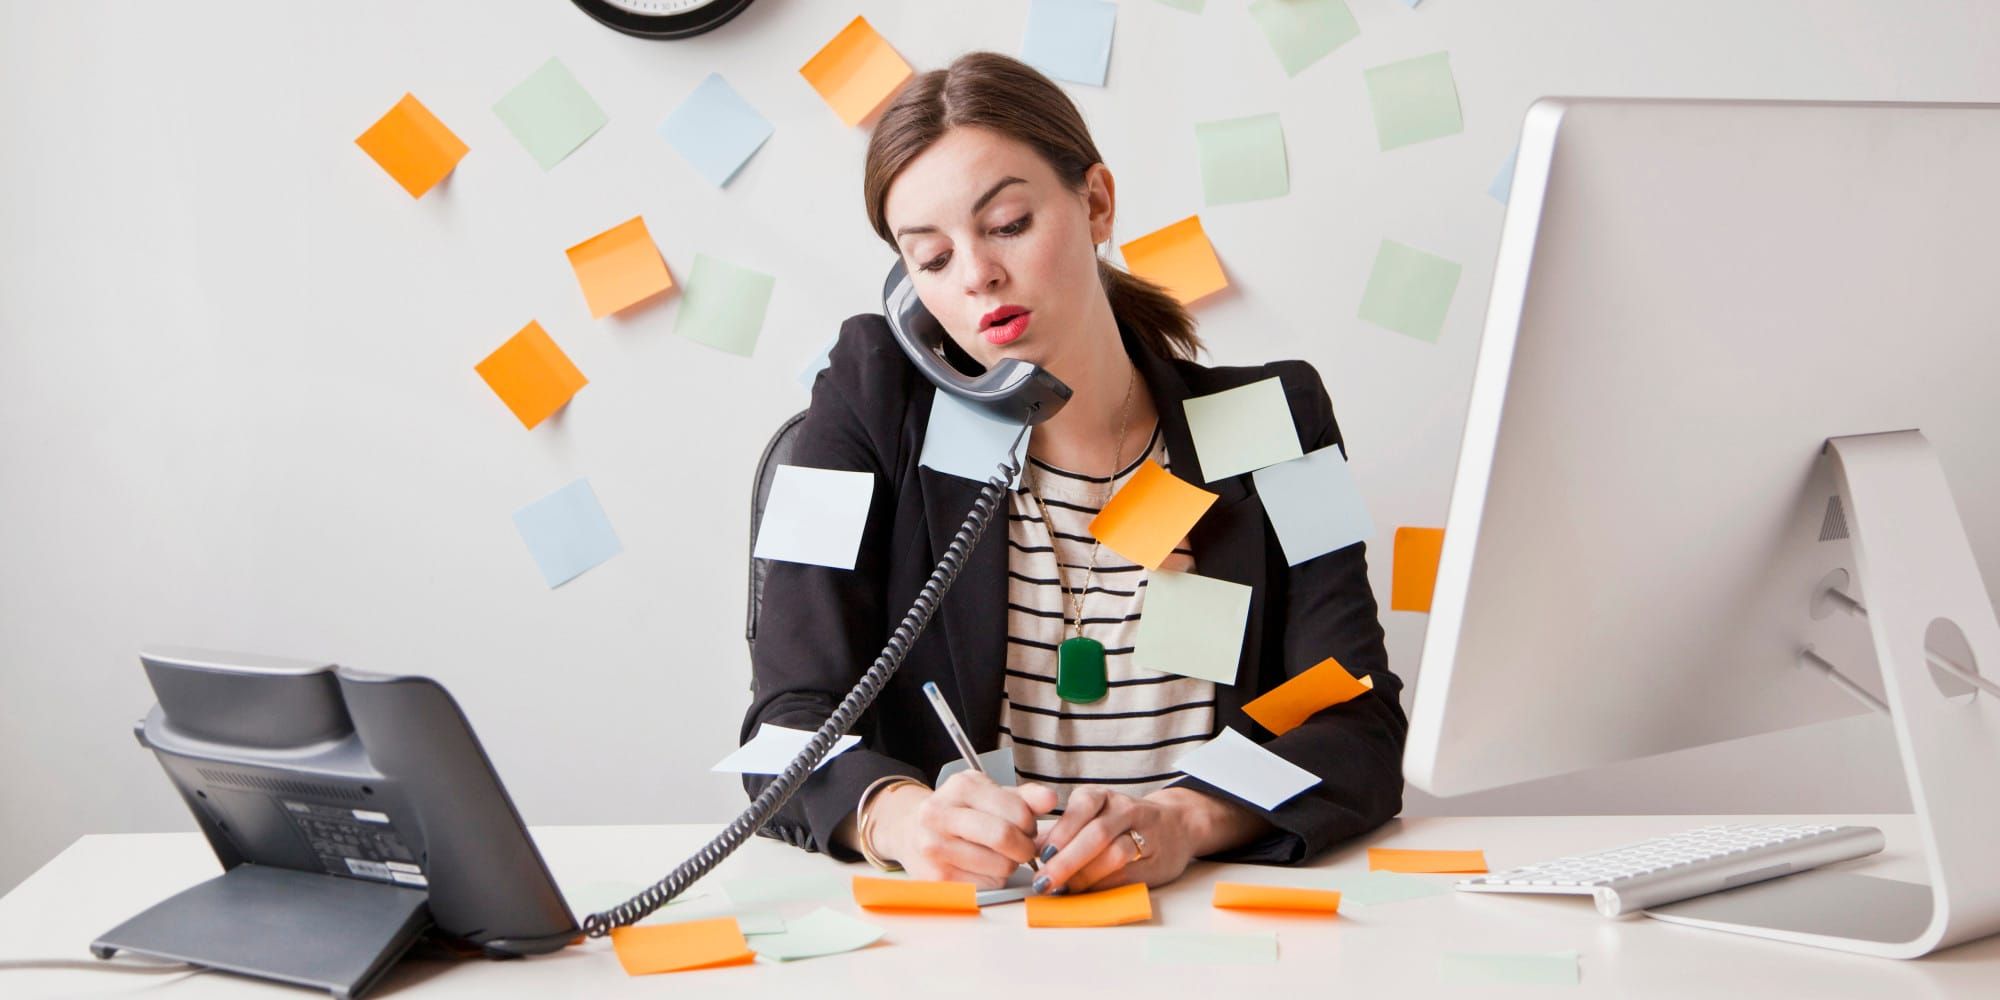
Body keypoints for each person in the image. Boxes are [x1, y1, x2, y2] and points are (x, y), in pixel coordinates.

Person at [742, 51, 1404, 897]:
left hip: (1202, 919)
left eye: (1008, 224)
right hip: (965, 937)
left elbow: (1358, 721)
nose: (977, 273)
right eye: (931, 258)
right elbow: (783, 724)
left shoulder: (1273, 421)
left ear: (1095, 202)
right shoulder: (868, 402)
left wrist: (1186, 821)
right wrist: (903, 818)